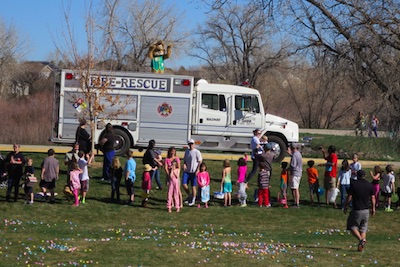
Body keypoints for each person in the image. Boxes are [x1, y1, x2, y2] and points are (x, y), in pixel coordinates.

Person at [343, 170, 375, 252]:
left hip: (357, 209)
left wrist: (346, 206)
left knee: (352, 226)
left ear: (357, 176)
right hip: (366, 210)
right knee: (363, 229)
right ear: (364, 176)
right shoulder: (369, 185)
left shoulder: (354, 184)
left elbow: (349, 196)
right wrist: (373, 208)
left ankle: (361, 239)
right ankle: (360, 248)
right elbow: (373, 198)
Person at [182, 139, 202, 206]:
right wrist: (184, 164)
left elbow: (200, 161)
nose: (191, 145)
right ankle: (189, 195)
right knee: (184, 184)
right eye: (190, 144)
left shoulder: (197, 152)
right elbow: (185, 160)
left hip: (194, 171)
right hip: (187, 171)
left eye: (192, 144)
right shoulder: (187, 152)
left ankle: (193, 199)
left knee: (193, 186)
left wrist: (198, 169)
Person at [288, 143, 302, 208]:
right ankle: (295, 201)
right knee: (295, 188)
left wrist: (287, 169)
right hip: (299, 172)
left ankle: (297, 203)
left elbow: (293, 165)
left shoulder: (294, 155)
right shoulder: (298, 153)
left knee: (295, 188)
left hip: (295, 173)